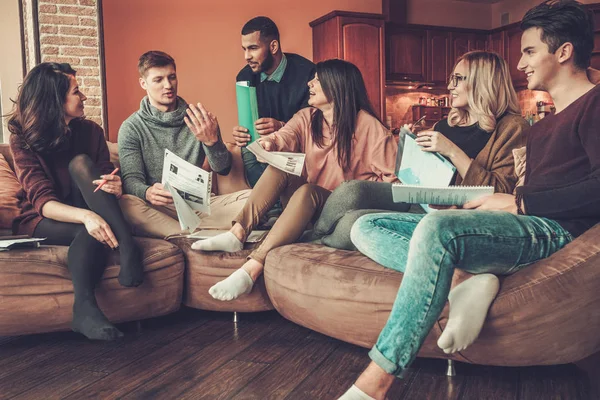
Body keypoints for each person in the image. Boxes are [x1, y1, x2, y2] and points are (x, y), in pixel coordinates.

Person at [339, 1, 600, 399]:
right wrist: (504, 201)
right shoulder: (544, 125)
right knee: (365, 225)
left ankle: (376, 380)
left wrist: (519, 202)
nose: (521, 63)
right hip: (525, 224)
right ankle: (469, 279)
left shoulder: (595, 104)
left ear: (563, 52)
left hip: (558, 232)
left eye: (530, 51)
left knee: (437, 228)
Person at [193, 59, 398, 301]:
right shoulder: (307, 117)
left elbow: (393, 183)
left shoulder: (369, 128)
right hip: (305, 209)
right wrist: (269, 143)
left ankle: (252, 269)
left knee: (308, 190)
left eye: (317, 80)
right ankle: (238, 233)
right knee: (282, 169)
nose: (309, 83)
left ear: (336, 86)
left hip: (339, 209)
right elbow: (284, 135)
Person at [309, 50, 528, 251]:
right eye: (452, 78)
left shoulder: (511, 127)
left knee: (353, 222)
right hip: (417, 196)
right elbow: (412, 172)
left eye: (458, 79)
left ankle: (320, 242)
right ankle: (311, 237)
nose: (450, 86)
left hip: (448, 210)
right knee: (350, 190)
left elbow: (501, 191)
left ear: (483, 82)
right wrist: (410, 144)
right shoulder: (446, 124)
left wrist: (452, 151)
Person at [8, 62, 143, 341]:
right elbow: (42, 201)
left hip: (88, 204)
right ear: (54, 101)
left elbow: (105, 175)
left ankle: (125, 244)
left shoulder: (91, 131)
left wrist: (115, 185)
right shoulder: (22, 138)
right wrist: (87, 217)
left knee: (82, 164)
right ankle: (85, 308)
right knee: (88, 231)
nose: (84, 97)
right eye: (76, 92)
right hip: (42, 218)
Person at [118, 51, 251, 238]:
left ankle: (193, 234)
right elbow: (131, 180)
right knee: (127, 204)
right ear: (143, 83)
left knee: (257, 200)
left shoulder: (199, 118)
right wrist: (147, 192)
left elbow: (223, 169)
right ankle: (197, 235)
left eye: (172, 77)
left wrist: (212, 142)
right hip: (160, 209)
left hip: (201, 206)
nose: (168, 85)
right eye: (158, 80)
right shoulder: (131, 127)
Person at [235, 16, 315, 187]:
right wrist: (242, 133)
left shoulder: (307, 73)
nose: (246, 56)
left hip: (298, 149)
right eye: (244, 49)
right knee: (245, 150)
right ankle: (274, 208)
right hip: (262, 150)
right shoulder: (244, 77)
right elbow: (249, 126)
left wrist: (282, 126)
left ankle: (272, 207)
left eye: (253, 48)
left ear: (273, 46)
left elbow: (314, 127)